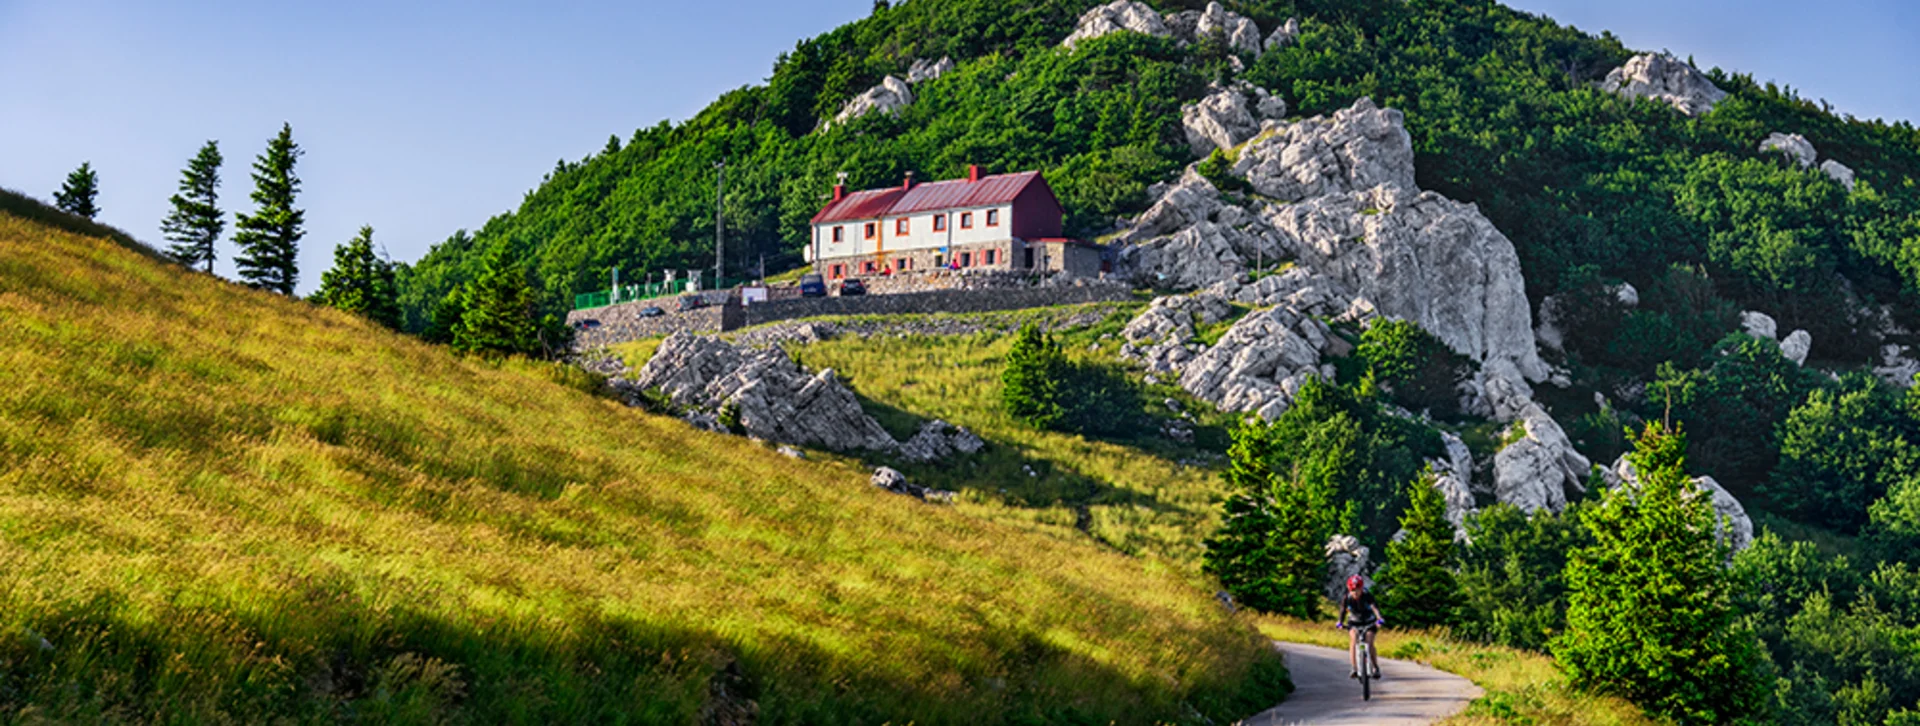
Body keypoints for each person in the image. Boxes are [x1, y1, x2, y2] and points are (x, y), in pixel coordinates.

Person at [1338, 574, 1384, 679]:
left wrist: (1379, 619)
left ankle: (1375, 667)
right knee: (1354, 639)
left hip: (1369, 621)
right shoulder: (1347, 597)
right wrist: (1340, 622)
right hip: (1354, 622)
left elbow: (1374, 607)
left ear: (1362, 588)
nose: (1355, 592)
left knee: (1369, 640)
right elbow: (1342, 610)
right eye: (1352, 590)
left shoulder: (1367, 595)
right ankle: (1354, 667)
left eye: (1358, 589)